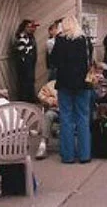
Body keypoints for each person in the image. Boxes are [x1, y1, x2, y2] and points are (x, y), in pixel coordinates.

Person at [51, 15, 91, 163]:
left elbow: (53, 61)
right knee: (83, 118)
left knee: (66, 118)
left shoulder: (60, 40)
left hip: (64, 84)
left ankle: (68, 156)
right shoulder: (84, 40)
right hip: (82, 83)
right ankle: (84, 154)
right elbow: (89, 61)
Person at [14, 19, 39, 103]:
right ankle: (24, 100)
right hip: (24, 63)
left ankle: (30, 98)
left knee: (30, 80)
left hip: (30, 62)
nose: (32, 29)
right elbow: (21, 50)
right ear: (24, 27)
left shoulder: (30, 37)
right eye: (29, 27)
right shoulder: (22, 36)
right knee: (24, 82)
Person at [35, 80, 59, 160]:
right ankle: (43, 143)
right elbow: (40, 95)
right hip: (56, 110)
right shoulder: (52, 84)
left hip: (70, 111)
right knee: (48, 115)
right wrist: (52, 101)